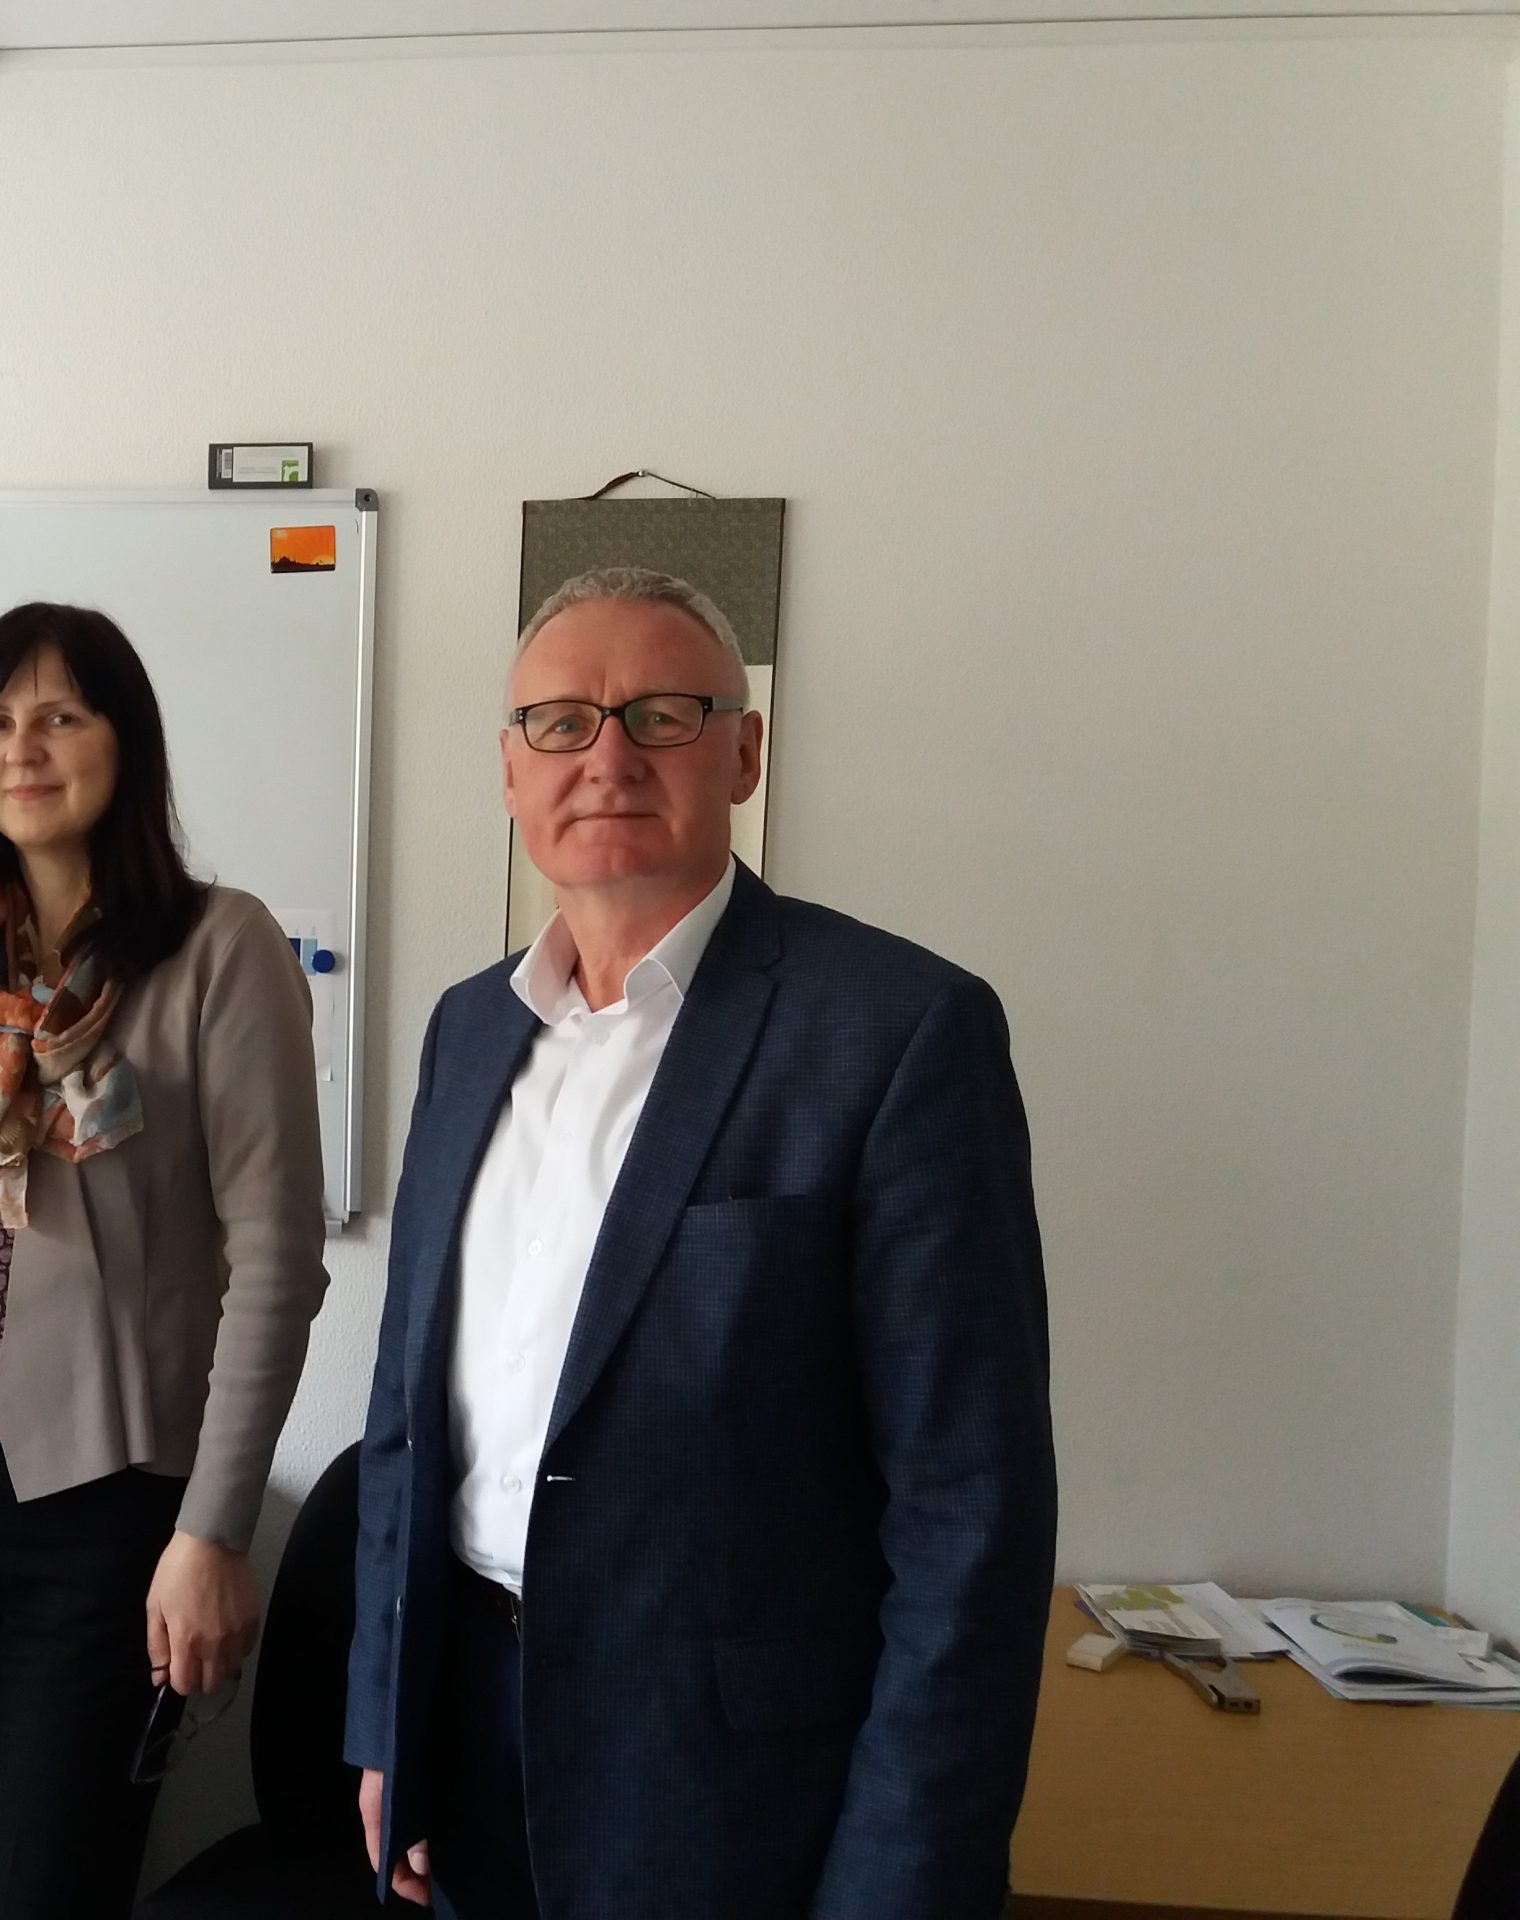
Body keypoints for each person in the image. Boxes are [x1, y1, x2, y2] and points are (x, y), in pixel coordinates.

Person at [348, 567, 1057, 1920]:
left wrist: (904, 1882)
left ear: (743, 752)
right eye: (561, 722)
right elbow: (405, 1418)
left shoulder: (899, 1031)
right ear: (509, 769)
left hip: (735, 1784)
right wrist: (388, 1724)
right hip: (470, 1734)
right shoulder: (467, 1030)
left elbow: (969, 1515)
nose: (607, 757)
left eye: (662, 715)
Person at [0, 601, 330, 1920]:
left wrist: (211, 1530)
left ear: (126, 741)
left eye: (61, 715)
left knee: (46, 1893)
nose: (24, 748)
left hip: (100, 1509)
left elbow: (277, 1260)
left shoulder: (220, 950)